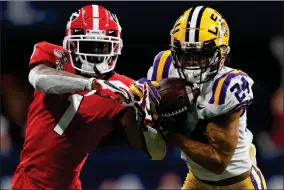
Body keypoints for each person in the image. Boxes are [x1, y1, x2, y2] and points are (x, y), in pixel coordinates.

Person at [11, 4, 166, 189]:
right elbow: (38, 78)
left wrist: (145, 115)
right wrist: (92, 84)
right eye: (87, 45)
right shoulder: (57, 57)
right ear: (70, 44)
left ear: (115, 47)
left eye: (101, 47)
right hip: (29, 182)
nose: (94, 54)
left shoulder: (125, 88)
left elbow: (156, 152)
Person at [135, 6, 267, 189]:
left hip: (238, 183)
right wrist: (141, 105)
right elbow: (155, 151)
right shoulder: (164, 67)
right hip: (197, 181)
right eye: (185, 55)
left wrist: (173, 134)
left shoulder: (227, 86)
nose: (192, 64)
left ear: (221, 53)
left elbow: (219, 162)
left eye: (201, 55)